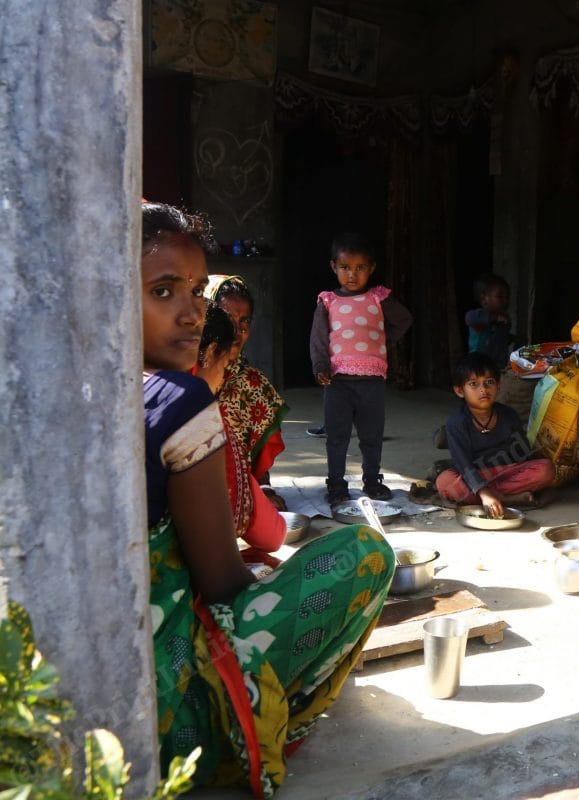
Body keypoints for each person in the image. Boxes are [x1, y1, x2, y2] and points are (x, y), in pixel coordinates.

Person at [141, 201, 395, 796]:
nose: (190, 313)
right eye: (161, 292)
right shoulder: (178, 401)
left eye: (195, 293)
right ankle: (258, 717)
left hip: (85, 700)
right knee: (364, 552)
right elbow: (222, 584)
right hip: (176, 717)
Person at [309, 232, 413, 505]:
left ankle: (371, 481)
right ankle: (336, 485)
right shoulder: (328, 301)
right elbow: (318, 338)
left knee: (372, 436)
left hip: (372, 383)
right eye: (345, 267)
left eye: (360, 268)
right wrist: (320, 365)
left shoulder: (379, 298)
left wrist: (381, 338)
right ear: (334, 267)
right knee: (337, 437)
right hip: (337, 382)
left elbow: (404, 319)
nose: (352, 275)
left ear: (371, 269)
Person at [195, 302, 285, 554]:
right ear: (212, 351)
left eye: (244, 322)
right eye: (221, 367)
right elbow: (272, 536)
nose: (237, 332)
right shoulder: (203, 420)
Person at [203, 274, 289, 511]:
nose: (237, 331)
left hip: (239, 489)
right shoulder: (182, 376)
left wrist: (263, 488)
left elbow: (258, 452)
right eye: (228, 319)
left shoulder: (251, 383)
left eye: (245, 322)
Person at [435, 352, 555, 517]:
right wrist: (483, 491)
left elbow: (523, 453)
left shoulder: (509, 415)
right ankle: (505, 499)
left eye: (489, 382)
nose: (483, 389)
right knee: (444, 483)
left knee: (546, 470)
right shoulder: (456, 423)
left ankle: (494, 498)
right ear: (460, 391)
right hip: (472, 473)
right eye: (474, 384)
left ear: (498, 386)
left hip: (504, 472)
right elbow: (464, 465)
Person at [465, 273, 513, 369]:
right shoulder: (479, 315)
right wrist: (493, 317)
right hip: (477, 364)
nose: (505, 301)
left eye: (507, 297)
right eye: (500, 296)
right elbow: (469, 318)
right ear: (484, 298)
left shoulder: (504, 319)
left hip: (496, 365)